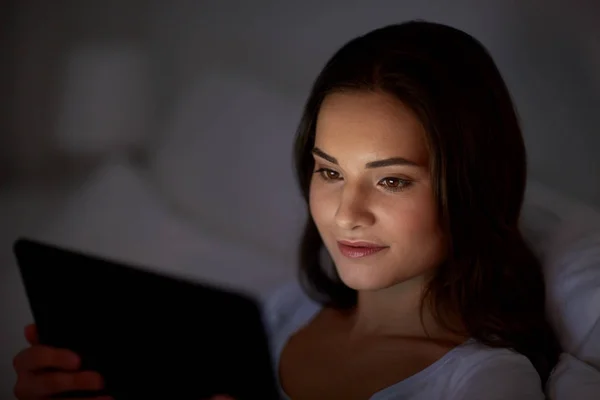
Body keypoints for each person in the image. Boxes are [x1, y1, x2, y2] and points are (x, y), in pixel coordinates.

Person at [12, 20, 560, 399]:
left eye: (391, 180)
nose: (348, 213)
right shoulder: (284, 312)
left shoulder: (485, 383)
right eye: (330, 172)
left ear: (473, 186)